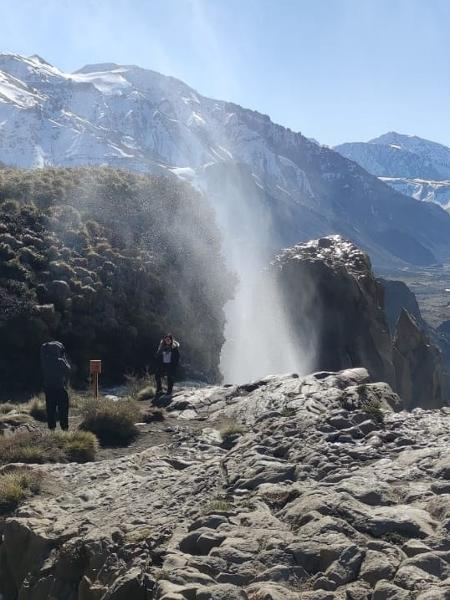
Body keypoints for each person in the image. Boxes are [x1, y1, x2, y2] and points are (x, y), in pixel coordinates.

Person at [40, 340, 71, 431]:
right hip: (60, 388)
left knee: (50, 409)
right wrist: (64, 357)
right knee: (63, 410)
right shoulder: (60, 361)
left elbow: (42, 349)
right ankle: (64, 429)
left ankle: (52, 429)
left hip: (48, 388)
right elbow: (69, 370)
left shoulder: (45, 361)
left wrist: (46, 346)